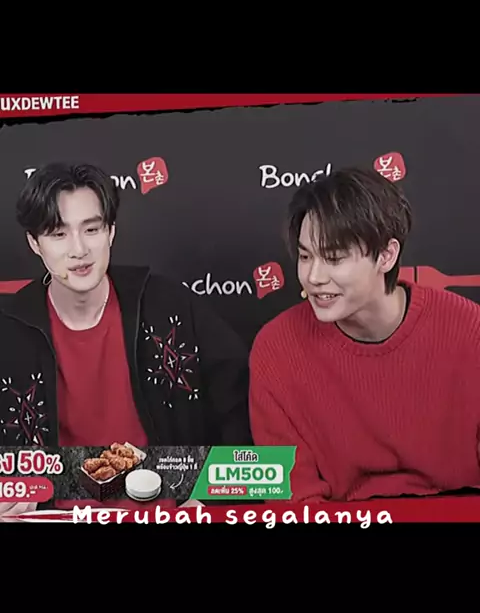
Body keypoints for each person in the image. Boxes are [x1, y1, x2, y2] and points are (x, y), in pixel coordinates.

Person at [249, 166, 480, 503]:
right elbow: (293, 499)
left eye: (334, 258)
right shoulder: (276, 350)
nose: (314, 277)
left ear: (386, 256)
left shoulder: (468, 331)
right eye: (305, 256)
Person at [0, 162, 252, 451]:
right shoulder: (9, 331)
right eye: (59, 234)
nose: (79, 250)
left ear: (111, 232)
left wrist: (214, 479)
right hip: (54, 482)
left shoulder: (168, 305)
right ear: (35, 243)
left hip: (168, 480)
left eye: (91, 229)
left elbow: (238, 400)